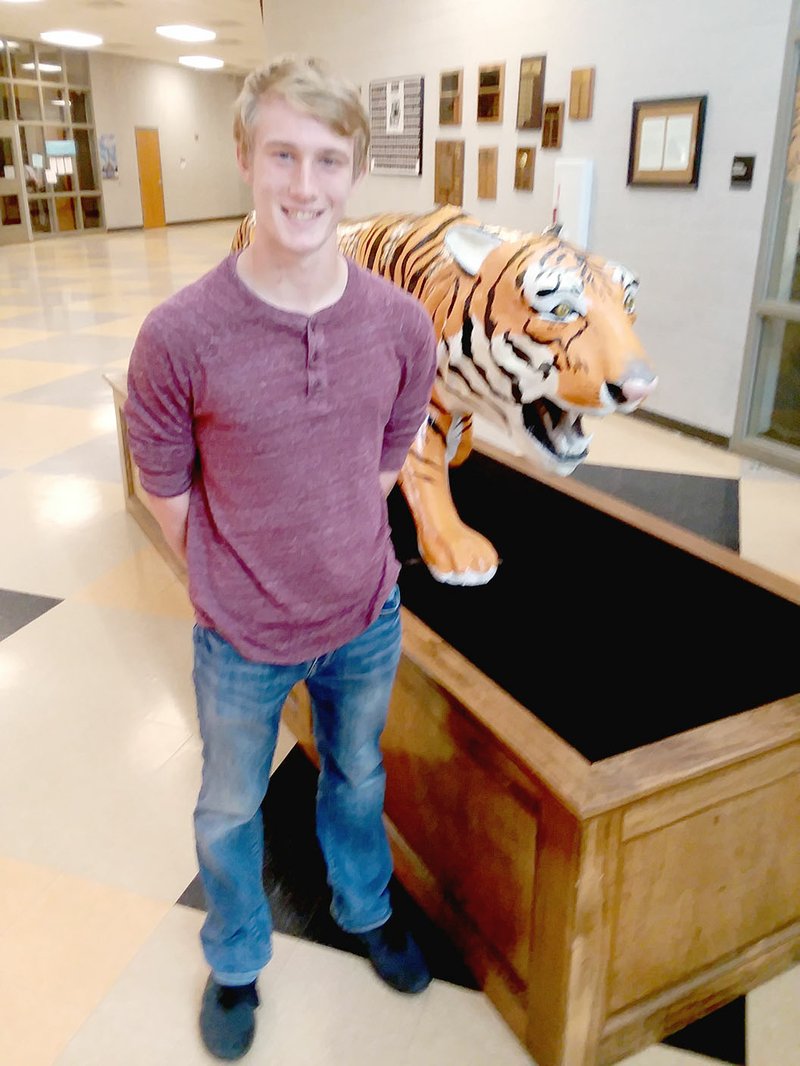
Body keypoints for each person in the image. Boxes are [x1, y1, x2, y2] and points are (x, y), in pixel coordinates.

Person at [124, 54, 437, 1062]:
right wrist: (240, 574)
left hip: (364, 618)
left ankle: (363, 909)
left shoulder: (399, 323)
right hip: (241, 640)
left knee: (354, 776)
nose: (305, 185)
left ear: (353, 172)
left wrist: (334, 540)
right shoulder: (179, 336)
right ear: (246, 160)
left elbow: (389, 456)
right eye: (284, 155)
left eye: (329, 160)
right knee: (227, 804)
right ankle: (236, 955)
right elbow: (162, 489)